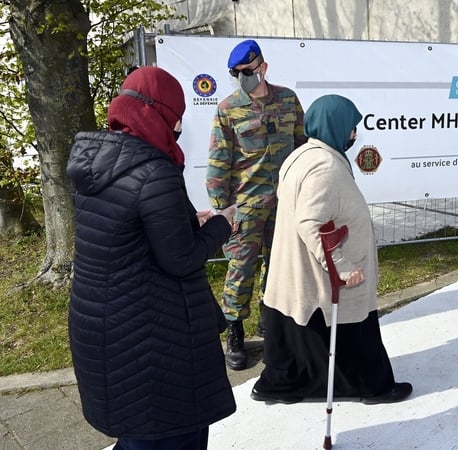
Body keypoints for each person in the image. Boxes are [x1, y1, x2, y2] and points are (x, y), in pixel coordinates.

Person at [67, 66, 236, 449]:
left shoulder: (97, 163)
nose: (178, 127)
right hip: (152, 336)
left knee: (136, 434)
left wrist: (186, 221)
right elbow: (181, 259)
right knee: (171, 435)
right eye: (176, 117)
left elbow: (125, 232)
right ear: (162, 114)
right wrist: (222, 224)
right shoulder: (154, 171)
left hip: (103, 325)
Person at [250, 94, 412, 405]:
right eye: (351, 127)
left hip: (298, 272)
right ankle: (373, 387)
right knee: (352, 330)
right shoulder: (325, 167)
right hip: (324, 274)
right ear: (335, 126)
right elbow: (310, 221)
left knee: (304, 333)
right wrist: (342, 266)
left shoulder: (302, 155)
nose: (354, 134)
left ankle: (280, 384)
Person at [208, 39, 308, 370]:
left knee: (279, 264)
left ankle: (270, 320)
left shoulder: (287, 100)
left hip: (284, 201)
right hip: (245, 205)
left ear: (262, 67)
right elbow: (218, 161)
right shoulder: (228, 109)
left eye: (247, 71)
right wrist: (222, 209)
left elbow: (301, 146)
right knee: (241, 268)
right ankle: (234, 332)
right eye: (235, 73)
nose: (242, 78)